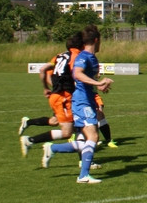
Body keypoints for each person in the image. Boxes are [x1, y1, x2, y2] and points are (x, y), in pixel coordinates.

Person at [41, 25, 114, 183]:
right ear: (96, 40)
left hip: (87, 100)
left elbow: (85, 80)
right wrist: (98, 82)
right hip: (82, 102)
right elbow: (77, 74)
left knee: (85, 139)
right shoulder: (83, 56)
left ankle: (52, 148)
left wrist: (99, 87)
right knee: (93, 137)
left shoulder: (91, 57)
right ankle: (83, 176)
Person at [20, 33, 80, 157]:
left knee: (58, 122)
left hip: (57, 95)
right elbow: (77, 75)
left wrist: (46, 88)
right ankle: (31, 141)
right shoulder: (75, 57)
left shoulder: (59, 56)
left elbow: (43, 69)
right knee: (67, 132)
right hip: (64, 97)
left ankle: (85, 157)